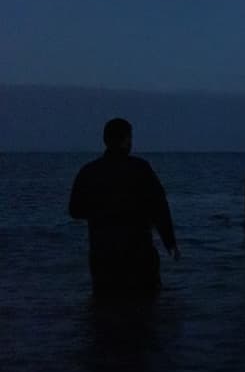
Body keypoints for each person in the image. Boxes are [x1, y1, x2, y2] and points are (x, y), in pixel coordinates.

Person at [69, 118, 179, 295]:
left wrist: (101, 213)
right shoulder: (140, 169)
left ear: (105, 140)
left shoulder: (89, 172)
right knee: (144, 310)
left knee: (104, 312)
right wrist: (170, 243)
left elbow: (74, 210)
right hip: (138, 256)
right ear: (126, 140)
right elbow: (160, 208)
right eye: (130, 138)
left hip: (103, 257)